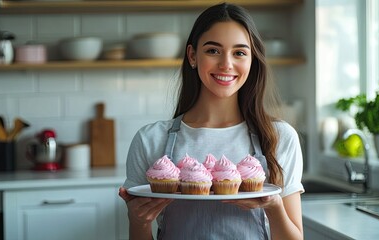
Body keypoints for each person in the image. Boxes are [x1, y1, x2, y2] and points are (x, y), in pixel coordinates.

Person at [119, 2, 304, 240]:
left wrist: (274, 206)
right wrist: (138, 221)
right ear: (192, 56)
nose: (226, 64)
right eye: (213, 50)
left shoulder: (279, 137)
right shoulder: (150, 139)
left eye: (239, 52)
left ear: (252, 60)